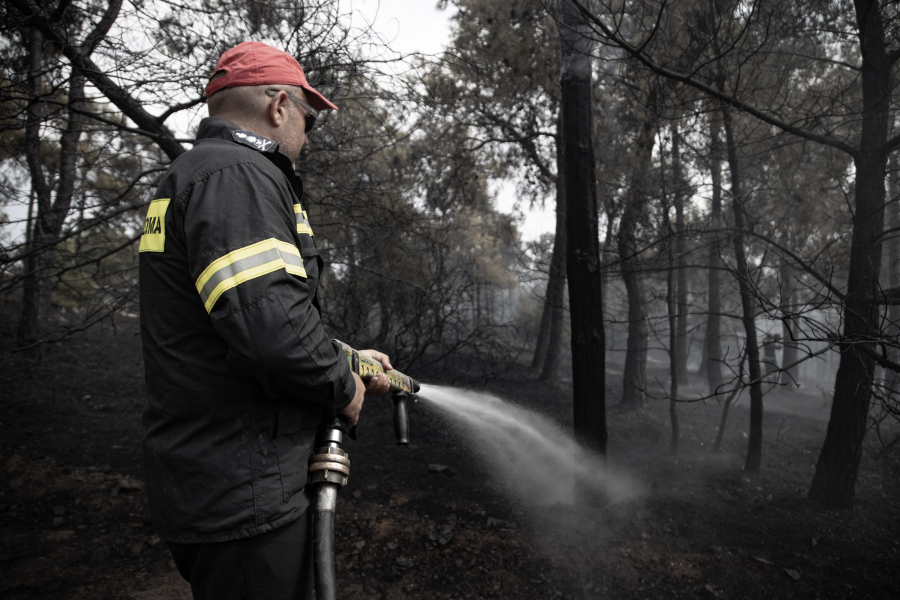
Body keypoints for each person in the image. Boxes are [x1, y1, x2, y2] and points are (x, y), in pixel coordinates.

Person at [138, 41, 391, 600]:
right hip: (243, 488)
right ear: (279, 106)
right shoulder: (239, 177)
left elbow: (242, 316)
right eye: (308, 118)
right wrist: (341, 385)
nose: (306, 134)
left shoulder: (195, 173)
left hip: (218, 476)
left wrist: (346, 356)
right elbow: (271, 334)